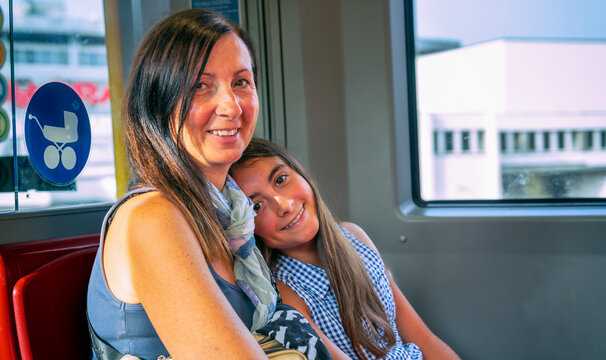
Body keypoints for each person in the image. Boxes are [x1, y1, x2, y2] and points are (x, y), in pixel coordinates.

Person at [87, 9, 279, 359]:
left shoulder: (233, 214)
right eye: (200, 87)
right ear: (158, 104)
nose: (231, 106)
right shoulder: (150, 219)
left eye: (241, 82)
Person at [230, 138, 461, 360]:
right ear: (249, 228)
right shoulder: (285, 291)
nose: (284, 205)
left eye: (281, 180)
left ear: (301, 174)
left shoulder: (354, 236)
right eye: (257, 206)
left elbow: (424, 339)